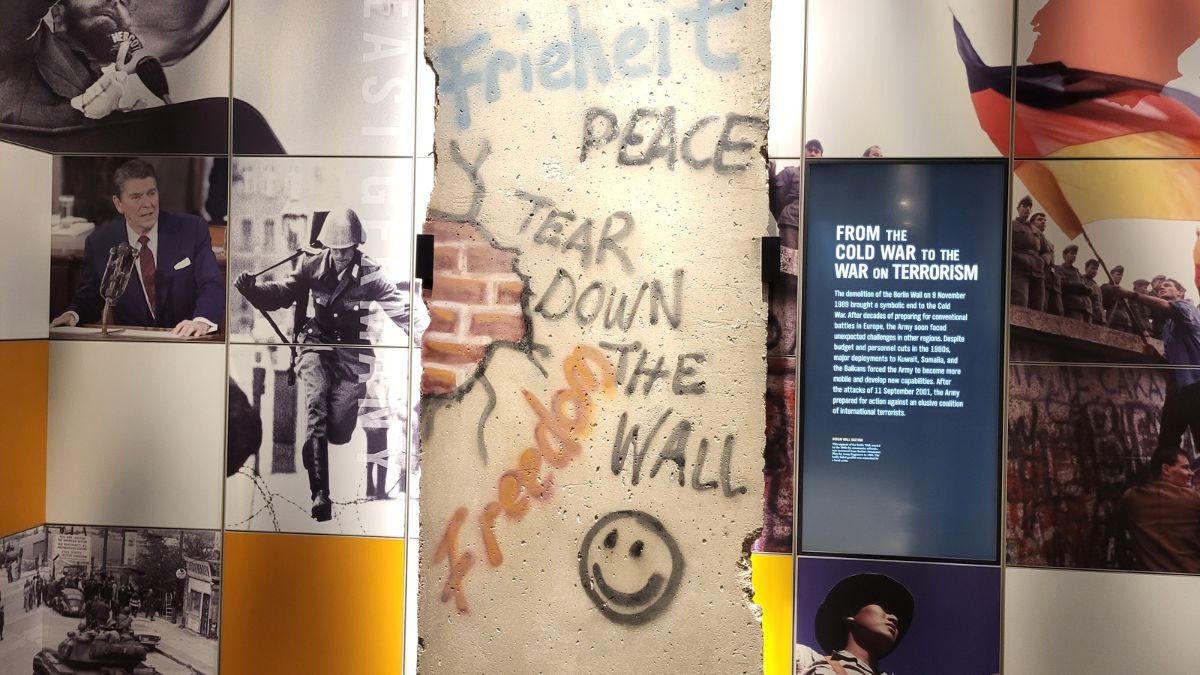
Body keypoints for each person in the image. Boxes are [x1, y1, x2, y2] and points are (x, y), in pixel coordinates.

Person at [235, 207, 430, 521]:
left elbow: (402, 309)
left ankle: (315, 450)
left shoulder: (369, 272)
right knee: (317, 403)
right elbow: (283, 293)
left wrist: (428, 339)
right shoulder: (311, 264)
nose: (340, 255)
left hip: (352, 355)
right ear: (326, 246)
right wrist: (253, 290)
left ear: (356, 246)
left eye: (347, 249)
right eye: (335, 249)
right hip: (316, 345)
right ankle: (320, 495)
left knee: (339, 431)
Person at [49, 159, 225, 336]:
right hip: (130, 344)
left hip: (183, 339)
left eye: (151, 193)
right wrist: (73, 315)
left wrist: (201, 321)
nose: (147, 203)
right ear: (118, 204)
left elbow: (211, 284)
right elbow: (92, 296)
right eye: (136, 197)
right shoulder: (100, 242)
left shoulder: (191, 230)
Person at [1118, 278, 1200, 454]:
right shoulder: (1168, 327)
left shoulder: (1186, 307)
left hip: (1196, 385)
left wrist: (1131, 295)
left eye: (1168, 285)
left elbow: (1166, 307)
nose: (1162, 287)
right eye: (1160, 287)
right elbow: (1171, 361)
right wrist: (1156, 355)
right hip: (1179, 390)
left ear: (1181, 292)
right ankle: (1166, 477)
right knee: (1167, 442)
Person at [795, 573, 914, 675]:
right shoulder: (804, 658)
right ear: (850, 614)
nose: (894, 618)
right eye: (884, 607)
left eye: (896, 615)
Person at [1119, 446, 1200, 573]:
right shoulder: (1195, 499)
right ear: (1166, 469)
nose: (1191, 473)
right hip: (1190, 578)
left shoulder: (1131, 497)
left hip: (1151, 581)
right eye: (1185, 467)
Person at [1011, 196, 1049, 311]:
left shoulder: (1035, 230)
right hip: (1019, 271)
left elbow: (1046, 250)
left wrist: (1044, 260)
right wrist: (1019, 258)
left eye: (1029, 207)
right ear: (1018, 208)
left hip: (1037, 272)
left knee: (1038, 307)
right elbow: (1006, 248)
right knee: (1020, 304)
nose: (1027, 209)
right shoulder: (1011, 225)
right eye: (1024, 206)